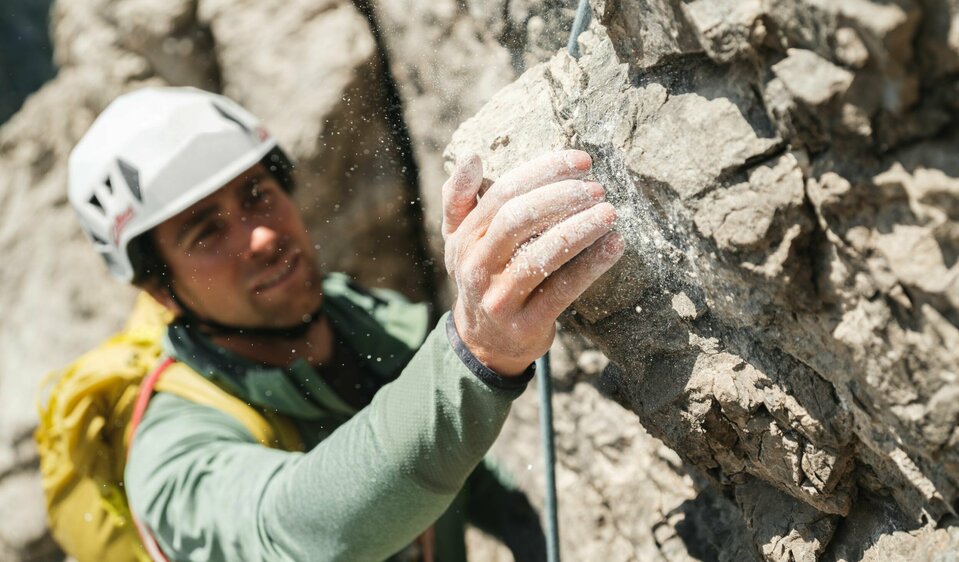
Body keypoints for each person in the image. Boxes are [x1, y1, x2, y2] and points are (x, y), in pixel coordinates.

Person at [66, 86, 624, 561]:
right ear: (161, 289)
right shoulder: (171, 454)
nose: (259, 236)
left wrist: (528, 531)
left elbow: (465, 477)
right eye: (206, 232)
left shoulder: (356, 319)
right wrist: (477, 354)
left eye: (258, 194)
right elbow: (295, 534)